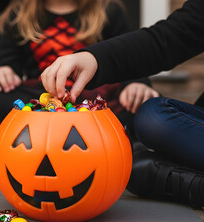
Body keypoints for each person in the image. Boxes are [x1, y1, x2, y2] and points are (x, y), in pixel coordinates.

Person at [41, 0, 204, 208]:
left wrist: (137, 84)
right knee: (149, 127)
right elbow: (170, 37)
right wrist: (94, 58)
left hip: (111, 97)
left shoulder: (109, 11)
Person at [0, 0, 158, 157]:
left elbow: (126, 56)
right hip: (44, 100)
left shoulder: (108, 9)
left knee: (143, 104)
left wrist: (137, 83)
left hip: (96, 99)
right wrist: (4, 70)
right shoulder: (19, 13)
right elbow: (10, 62)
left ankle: (124, 147)